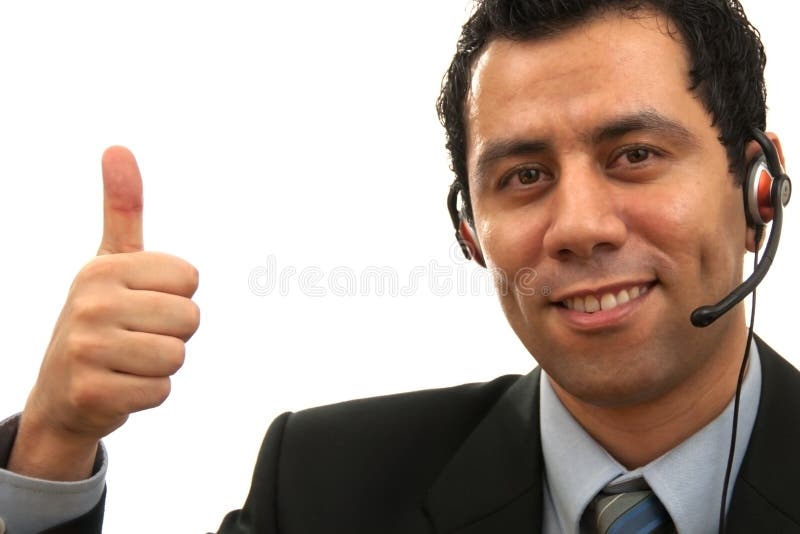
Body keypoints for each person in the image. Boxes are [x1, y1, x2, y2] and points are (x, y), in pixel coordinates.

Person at [0, 0, 796, 532]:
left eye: (635, 154)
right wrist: (54, 447)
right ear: (471, 232)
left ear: (757, 187)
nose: (578, 228)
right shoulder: (318, 489)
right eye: (524, 176)